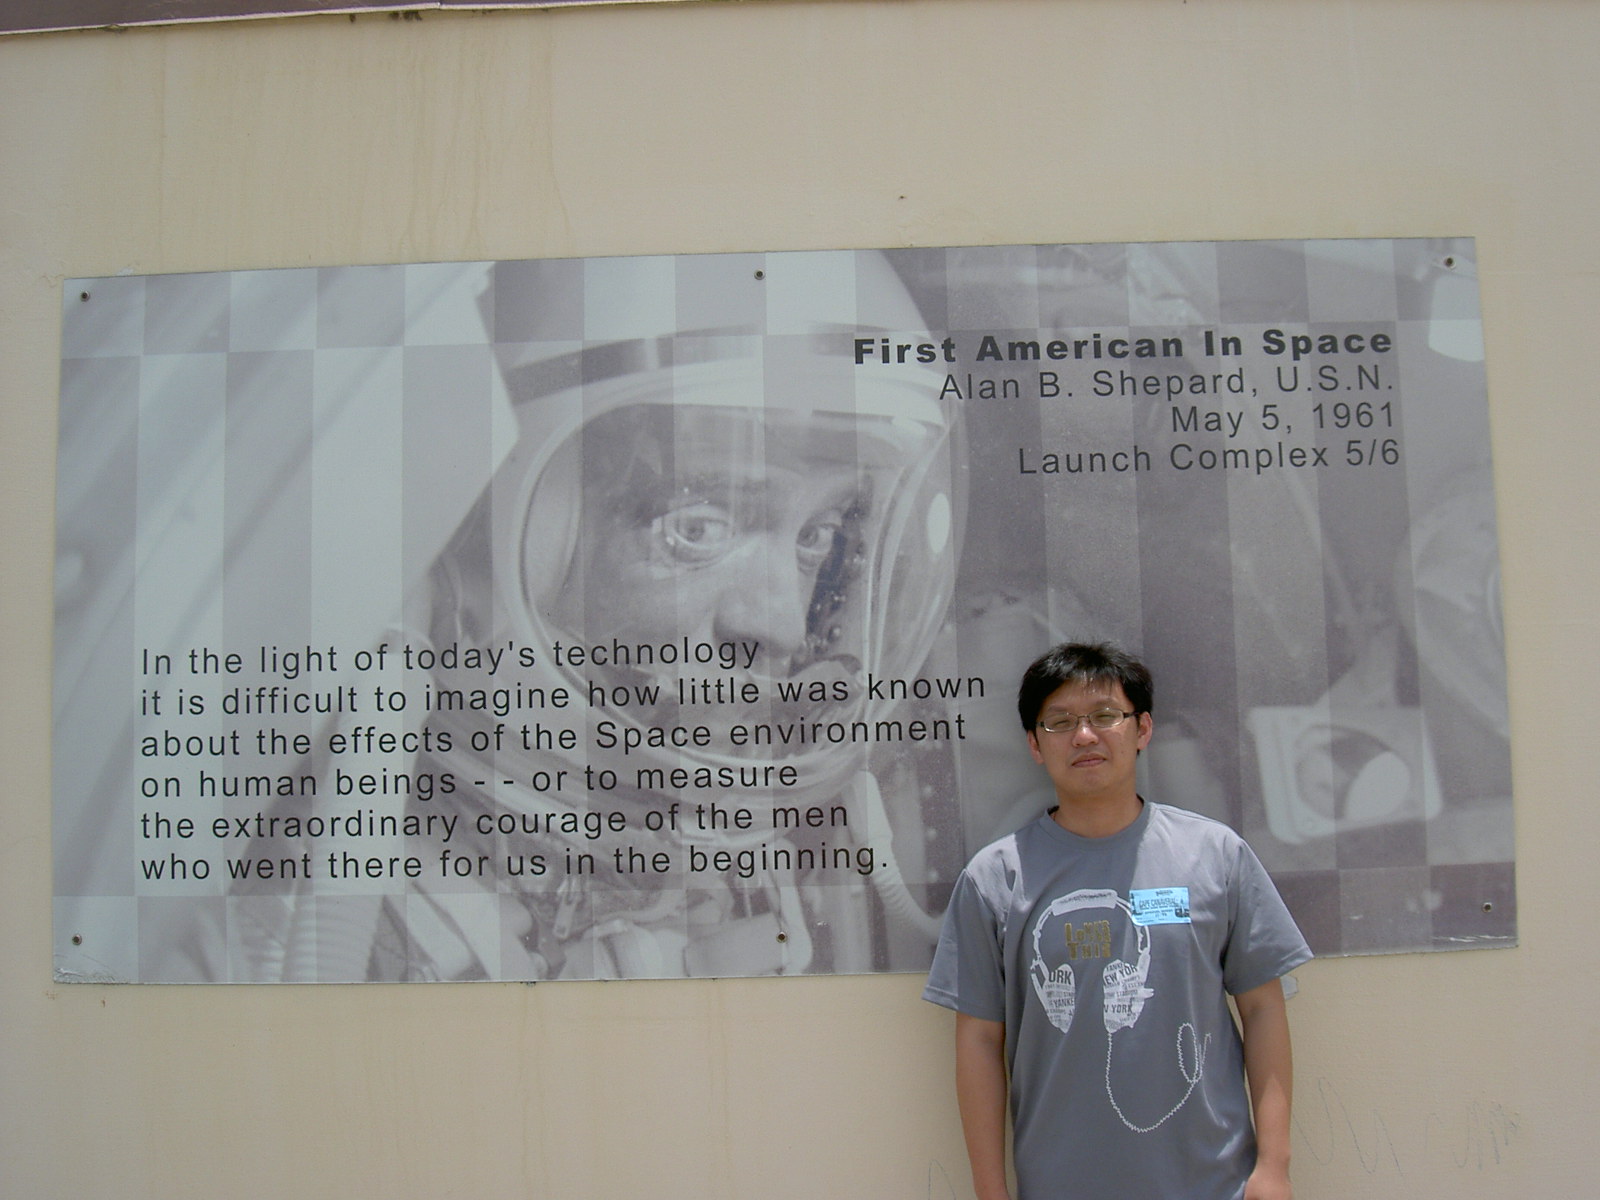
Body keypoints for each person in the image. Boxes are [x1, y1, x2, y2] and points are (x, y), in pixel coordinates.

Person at [924, 642, 1312, 1200]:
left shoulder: (1214, 855)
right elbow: (980, 1041)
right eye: (1060, 722)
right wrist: (991, 1191)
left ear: (1143, 728)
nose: (1084, 736)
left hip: (1213, 1184)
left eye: (1105, 716)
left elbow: (1263, 1007)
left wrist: (1274, 1166)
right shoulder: (995, 879)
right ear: (1034, 744)